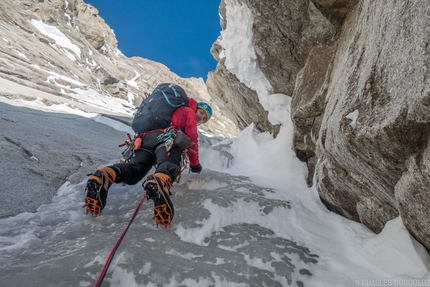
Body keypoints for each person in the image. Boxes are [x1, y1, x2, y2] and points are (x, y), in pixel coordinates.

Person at [83, 83, 213, 227]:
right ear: (196, 108)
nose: (201, 117)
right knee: (168, 165)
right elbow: (192, 139)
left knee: (135, 170)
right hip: (167, 139)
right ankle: (159, 182)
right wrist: (195, 165)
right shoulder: (188, 110)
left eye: (204, 118)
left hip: (145, 139)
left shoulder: (165, 110)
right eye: (201, 113)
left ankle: (105, 174)